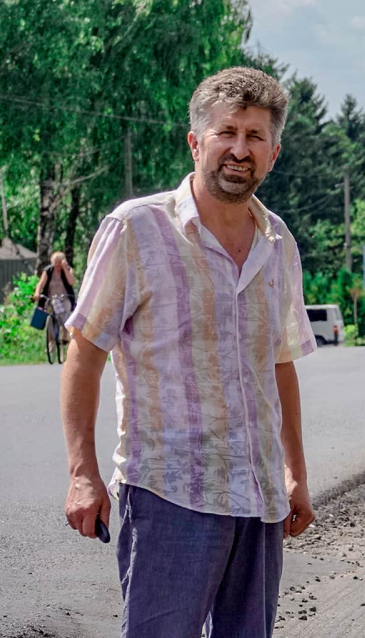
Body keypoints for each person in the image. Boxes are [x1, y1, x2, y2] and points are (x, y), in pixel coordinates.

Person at [60, 67, 317, 638]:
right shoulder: (136, 229)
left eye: (255, 137)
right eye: (226, 133)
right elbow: (85, 351)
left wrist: (295, 472)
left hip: (259, 498)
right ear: (196, 142)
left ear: (273, 153)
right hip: (169, 494)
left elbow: (280, 365)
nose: (239, 149)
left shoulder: (279, 242)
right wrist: (83, 473)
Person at [34, 251, 77, 337]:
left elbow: (71, 282)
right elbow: (41, 283)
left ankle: (65, 335)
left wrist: (65, 268)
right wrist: (37, 293)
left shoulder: (68, 270)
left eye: (59, 263)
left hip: (65, 298)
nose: (57, 266)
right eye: (55, 263)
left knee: (66, 312)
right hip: (51, 299)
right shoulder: (48, 271)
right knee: (50, 320)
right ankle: (51, 342)